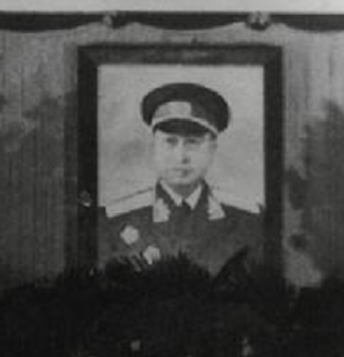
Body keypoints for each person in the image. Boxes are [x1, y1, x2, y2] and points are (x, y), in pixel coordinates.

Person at [98, 82, 263, 275]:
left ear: (212, 149)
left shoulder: (248, 220)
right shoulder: (114, 222)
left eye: (193, 143)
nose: (181, 157)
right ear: (154, 146)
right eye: (170, 142)